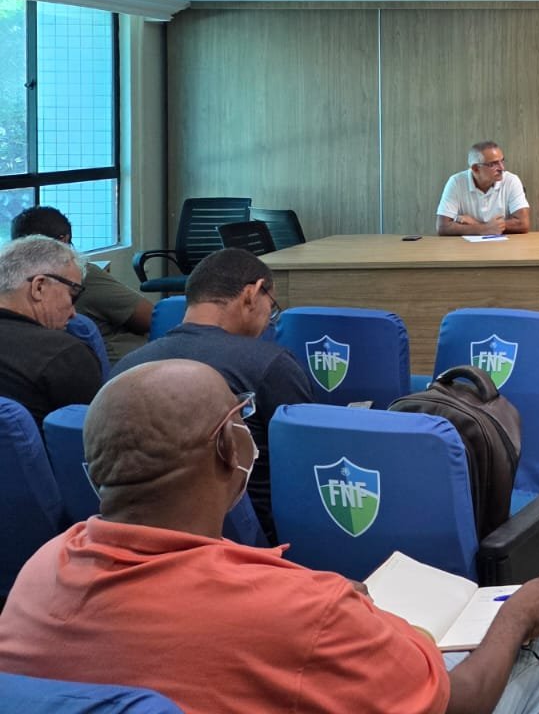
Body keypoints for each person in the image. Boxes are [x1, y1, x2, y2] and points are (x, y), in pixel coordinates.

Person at [0, 358, 539, 714]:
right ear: (229, 448)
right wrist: (514, 617)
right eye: (240, 419)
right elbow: (460, 701)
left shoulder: (42, 568)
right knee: (530, 655)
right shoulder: (302, 611)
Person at [112, 247, 314, 543]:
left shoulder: (126, 368)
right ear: (252, 293)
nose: (269, 321)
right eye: (271, 307)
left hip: (142, 542)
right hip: (255, 548)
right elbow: (307, 465)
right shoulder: (271, 365)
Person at [11, 205, 152, 363]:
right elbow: (149, 318)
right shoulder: (80, 275)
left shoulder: (11, 281)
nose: (72, 313)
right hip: (116, 363)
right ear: (63, 241)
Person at [0, 235, 100, 428]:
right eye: (73, 295)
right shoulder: (64, 355)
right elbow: (92, 438)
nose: (73, 313)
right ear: (39, 287)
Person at [438, 141, 531, 236]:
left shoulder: (511, 180)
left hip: (504, 244)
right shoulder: (456, 182)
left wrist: (478, 226)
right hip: (466, 245)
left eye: (502, 161)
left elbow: (523, 224)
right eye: (493, 164)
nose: (502, 168)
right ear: (475, 168)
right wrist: (485, 228)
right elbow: (443, 227)